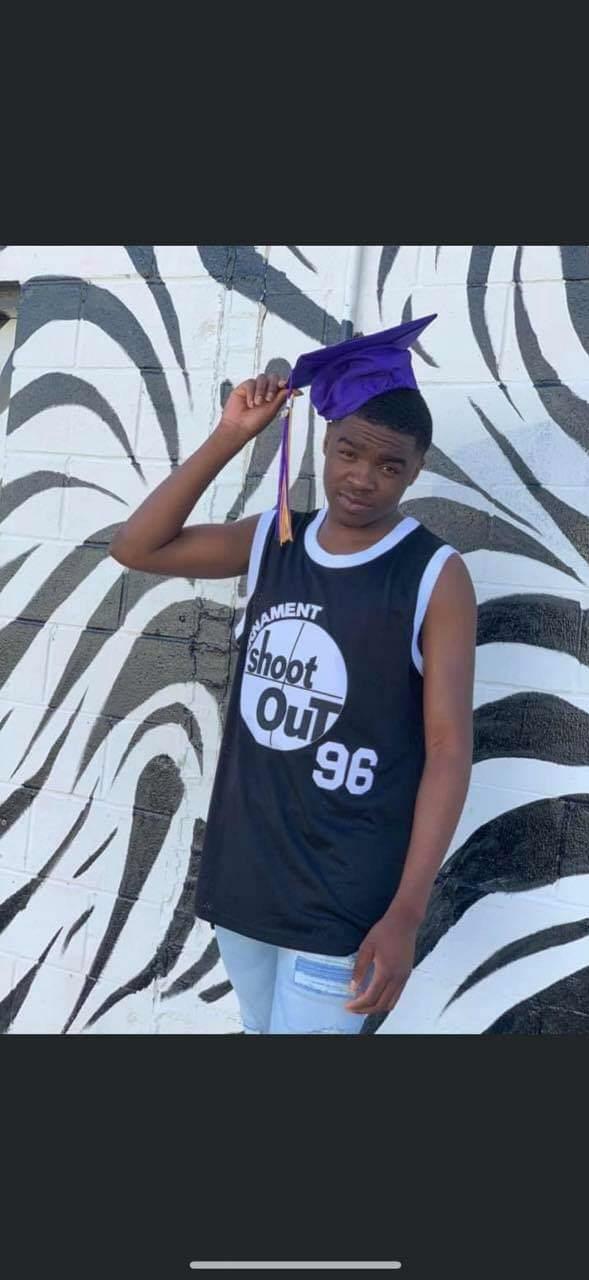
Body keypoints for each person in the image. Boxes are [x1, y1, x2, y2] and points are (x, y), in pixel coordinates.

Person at [109, 316, 477, 1035]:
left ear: (416, 469)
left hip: (343, 892)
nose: (362, 478)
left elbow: (447, 751)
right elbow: (137, 546)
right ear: (324, 442)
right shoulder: (274, 537)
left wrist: (406, 912)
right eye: (348, 452)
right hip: (245, 875)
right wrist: (230, 435)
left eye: (389, 465)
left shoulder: (434, 574)